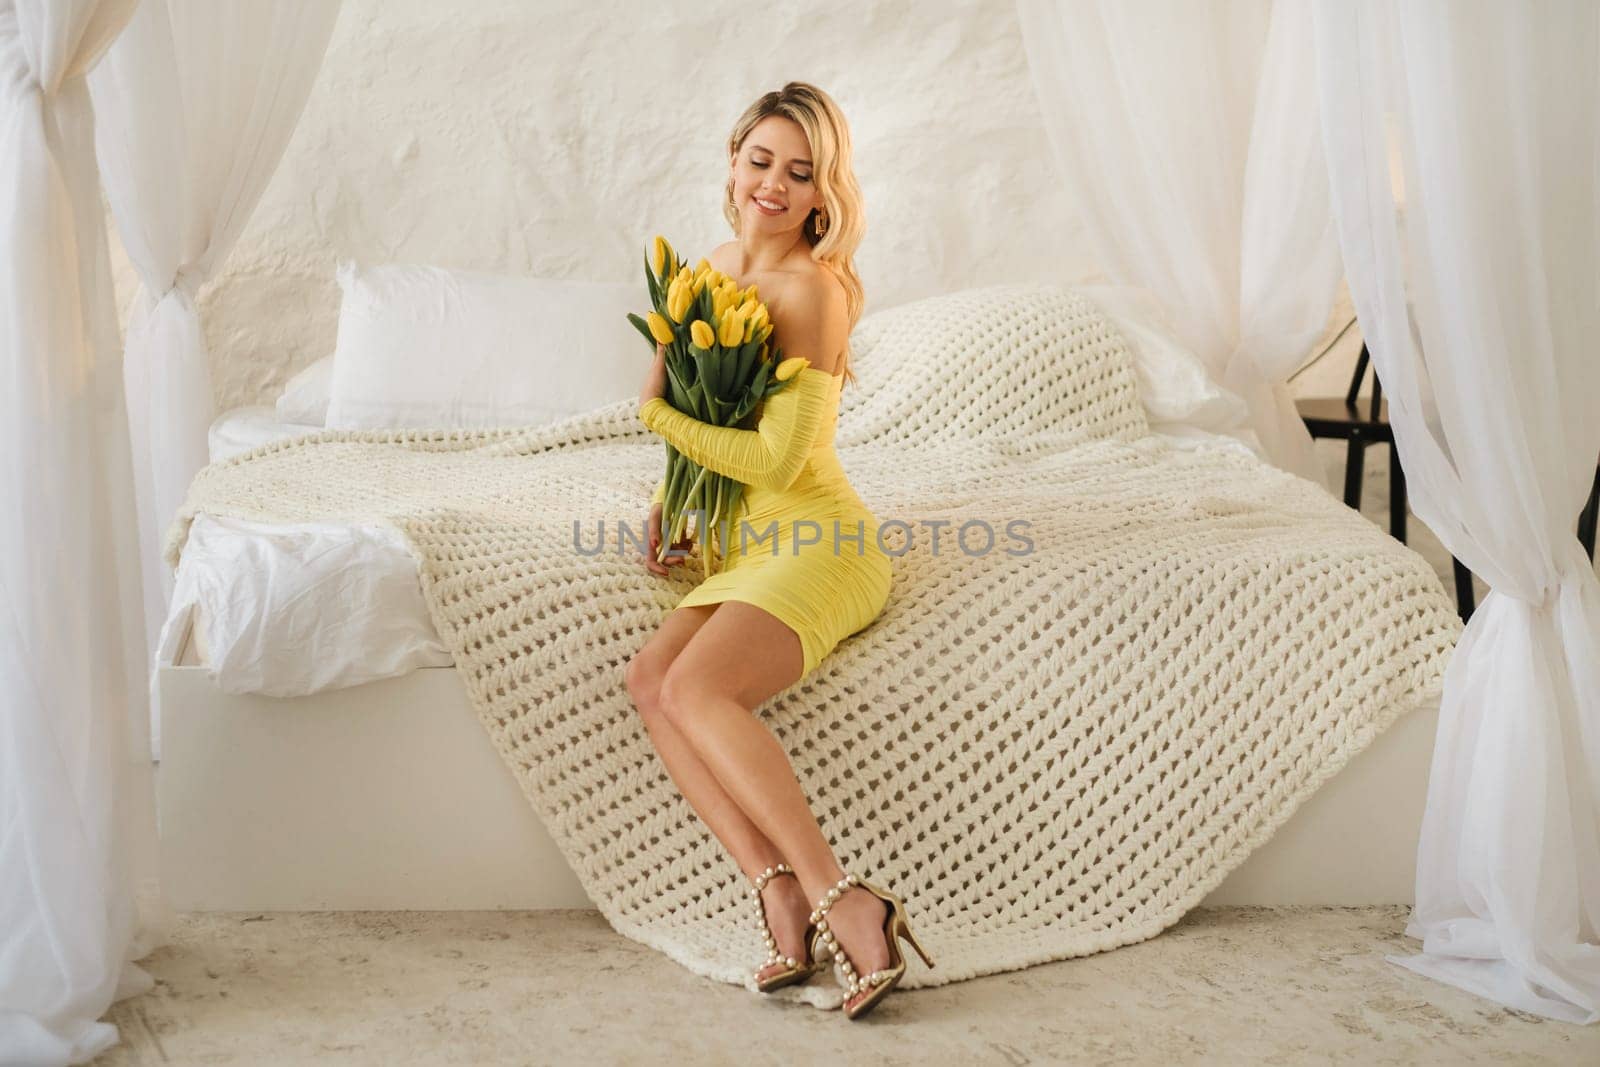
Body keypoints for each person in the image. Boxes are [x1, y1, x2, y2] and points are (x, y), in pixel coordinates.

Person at [628, 82, 931, 1020]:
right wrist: (671, 504)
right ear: (731, 162)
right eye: (760, 161)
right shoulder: (709, 268)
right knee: (650, 681)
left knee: (696, 688)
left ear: (822, 193)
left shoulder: (814, 290)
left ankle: (849, 898)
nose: (773, 184)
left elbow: (775, 455)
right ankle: (775, 887)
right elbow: (698, 419)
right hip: (746, 542)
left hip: (822, 540)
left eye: (800, 173)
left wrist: (654, 413)